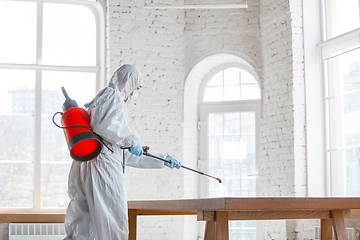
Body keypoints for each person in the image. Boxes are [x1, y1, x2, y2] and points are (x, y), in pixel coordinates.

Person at [64, 64, 181, 240]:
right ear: (129, 82)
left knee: (82, 227)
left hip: (88, 162)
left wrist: (160, 159)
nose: (136, 93)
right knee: (113, 223)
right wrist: (132, 139)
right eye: (137, 88)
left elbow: (121, 153)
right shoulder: (113, 95)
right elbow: (105, 126)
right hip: (102, 168)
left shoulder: (100, 100)